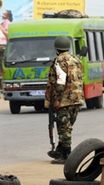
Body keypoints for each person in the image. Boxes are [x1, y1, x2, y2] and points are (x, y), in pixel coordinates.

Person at [45, 36, 84, 164]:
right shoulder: (76, 60)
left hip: (65, 99)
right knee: (67, 126)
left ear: (57, 48)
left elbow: (60, 82)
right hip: (77, 98)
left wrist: (56, 99)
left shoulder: (59, 61)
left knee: (63, 128)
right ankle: (60, 150)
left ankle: (66, 154)